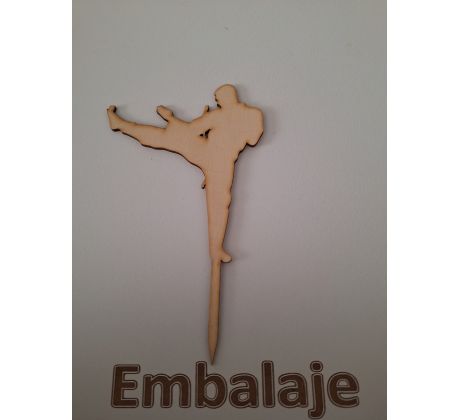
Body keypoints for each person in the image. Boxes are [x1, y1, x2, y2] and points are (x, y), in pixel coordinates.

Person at [107, 84, 264, 265]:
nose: (217, 103)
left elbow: (194, 130)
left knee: (219, 203)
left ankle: (216, 250)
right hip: (208, 154)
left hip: (219, 162)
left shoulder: (231, 115)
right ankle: (120, 124)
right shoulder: (248, 114)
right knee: (167, 138)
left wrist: (173, 119)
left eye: (218, 99)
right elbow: (194, 131)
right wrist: (172, 119)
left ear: (227, 97)